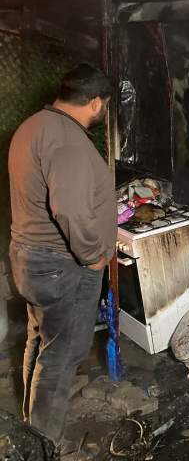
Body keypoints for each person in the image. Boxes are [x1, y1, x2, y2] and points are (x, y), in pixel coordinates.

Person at [8, 63, 117, 444]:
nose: (105, 112)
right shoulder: (69, 140)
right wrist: (93, 256)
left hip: (31, 257)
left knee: (40, 343)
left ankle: (31, 426)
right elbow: (68, 208)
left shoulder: (33, 126)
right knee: (62, 355)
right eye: (105, 106)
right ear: (95, 102)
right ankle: (43, 443)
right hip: (61, 265)